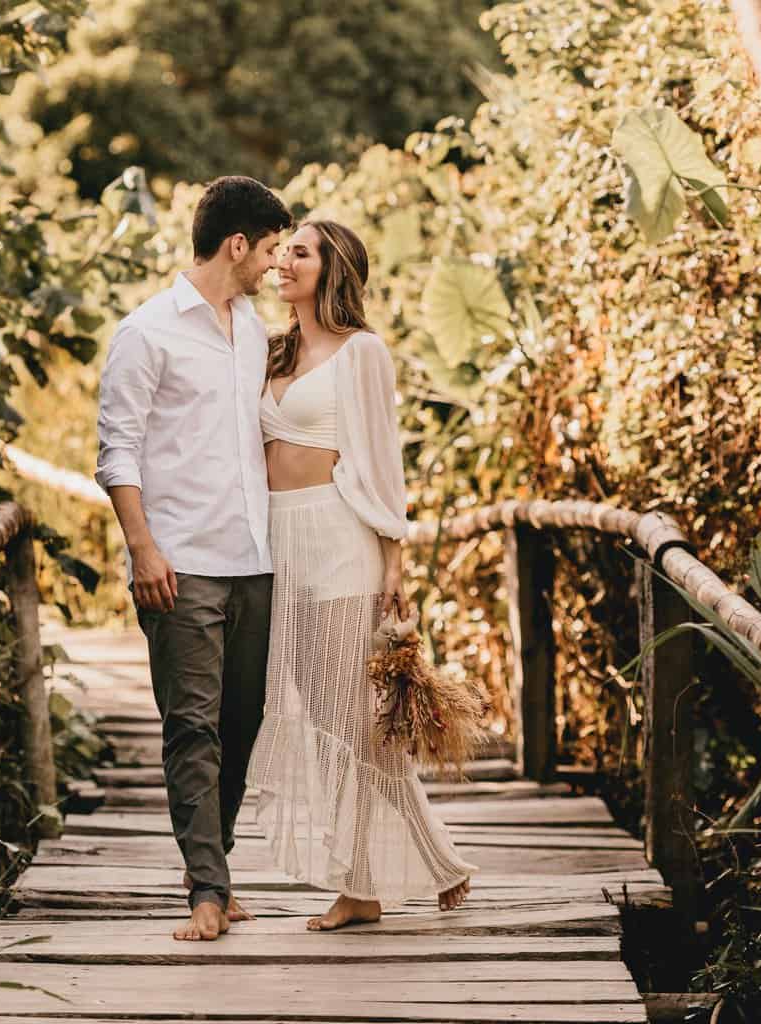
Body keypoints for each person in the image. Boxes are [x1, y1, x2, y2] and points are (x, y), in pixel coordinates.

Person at [247, 220, 475, 931]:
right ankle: (434, 862)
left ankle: (362, 884)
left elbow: (380, 458)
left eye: (300, 253)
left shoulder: (362, 351)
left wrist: (394, 559)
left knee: (350, 719)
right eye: (282, 251)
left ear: (333, 268)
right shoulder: (272, 346)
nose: (283, 260)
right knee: (323, 716)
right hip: (280, 538)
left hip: (340, 537)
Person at [94, 176, 292, 942]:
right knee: (192, 729)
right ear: (236, 244)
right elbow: (118, 452)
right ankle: (205, 890)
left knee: (244, 724)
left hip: (255, 560)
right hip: (181, 562)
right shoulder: (148, 332)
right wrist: (143, 548)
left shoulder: (252, 332)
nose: (276, 265)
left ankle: (218, 867)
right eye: (270, 249)